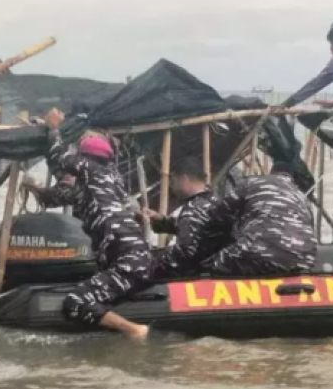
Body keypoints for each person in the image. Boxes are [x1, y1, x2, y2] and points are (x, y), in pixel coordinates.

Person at [42, 109, 153, 341]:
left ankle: (135, 330)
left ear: (84, 159)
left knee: (76, 302)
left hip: (126, 260)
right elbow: (59, 196)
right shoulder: (112, 181)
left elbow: (57, 158)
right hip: (136, 256)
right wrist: (35, 189)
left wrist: (53, 128)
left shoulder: (89, 170)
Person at [194, 163, 317, 276]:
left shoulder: (253, 182)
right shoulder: (302, 197)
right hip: (304, 258)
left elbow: (219, 214)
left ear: (271, 172)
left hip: (259, 250)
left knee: (207, 268)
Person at [140, 158, 231, 277]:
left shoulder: (195, 208)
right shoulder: (212, 200)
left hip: (199, 276)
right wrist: (157, 219)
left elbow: (185, 253)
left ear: (183, 179)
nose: (171, 186)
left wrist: (149, 259)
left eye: (173, 181)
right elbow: (185, 227)